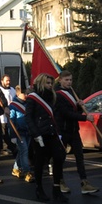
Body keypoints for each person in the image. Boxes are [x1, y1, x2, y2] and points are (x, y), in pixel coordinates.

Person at [25, 73, 68, 202]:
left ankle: (56, 189)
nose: (50, 85)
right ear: (41, 83)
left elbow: (55, 115)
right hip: (40, 135)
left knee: (59, 157)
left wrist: (58, 131)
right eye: (47, 83)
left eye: (51, 83)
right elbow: (28, 117)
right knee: (40, 163)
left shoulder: (52, 97)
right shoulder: (32, 98)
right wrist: (36, 134)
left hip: (52, 132)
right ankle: (39, 189)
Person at [55, 71, 99, 194]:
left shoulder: (71, 93)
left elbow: (74, 110)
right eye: (67, 80)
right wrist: (85, 118)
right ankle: (59, 181)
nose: (69, 82)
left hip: (74, 130)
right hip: (62, 130)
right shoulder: (58, 95)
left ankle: (84, 183)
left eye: (71, 80)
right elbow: (66, 113)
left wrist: (79, 105)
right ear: (60, 80)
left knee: (80, 157)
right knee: (60, 158)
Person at [8, 86, 34, 183]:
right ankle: (27, 172)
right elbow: (11, 121)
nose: (26, 95)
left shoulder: (28, 104)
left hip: (28, 132)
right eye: (24, 94)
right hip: (19, 132)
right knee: (25, 151)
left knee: (22, 151)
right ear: (18, 94)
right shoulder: (13, 106)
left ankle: (15, 168)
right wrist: (13, 135)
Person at [0, 75, 17, 156]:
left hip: (12, 114)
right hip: (3, 117)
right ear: (2, 81)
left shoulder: (12, 90)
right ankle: (8, 148)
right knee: (4, 133)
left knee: (11, 133)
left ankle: (12, 147)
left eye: (9, 80)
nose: (8, 82)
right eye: (6, 81)